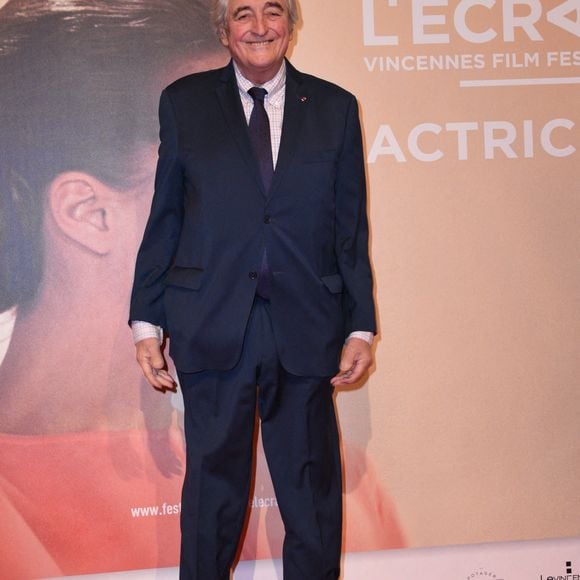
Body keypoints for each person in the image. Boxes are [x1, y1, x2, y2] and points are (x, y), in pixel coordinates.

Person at [130, 0, 378, 578]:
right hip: (213, 322)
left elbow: (350, 227)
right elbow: (165, 216)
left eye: (273, 12)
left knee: (311, 490)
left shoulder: (336, 107)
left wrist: (360, 324)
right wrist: (147, 319)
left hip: (307, 324)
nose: (259, 26)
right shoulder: (185, 103)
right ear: (224, 29)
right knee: (212, 491)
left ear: (290, 26)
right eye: (244, 13)